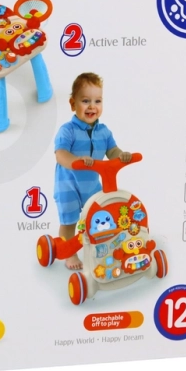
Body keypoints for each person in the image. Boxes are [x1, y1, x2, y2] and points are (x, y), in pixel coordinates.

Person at [54, 73, 132, 270]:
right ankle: (70, 254)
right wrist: (76, 161)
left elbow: (112, 151)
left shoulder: (104, 131)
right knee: (70, 221)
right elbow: (60, 154)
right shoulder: (67, 130)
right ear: (73, 104)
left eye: (97, 101)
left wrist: (121, 155)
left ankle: (103, 246)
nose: (92, 106)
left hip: (92, 185)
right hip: (68, 185)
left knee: (100, 216)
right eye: (85, 101)